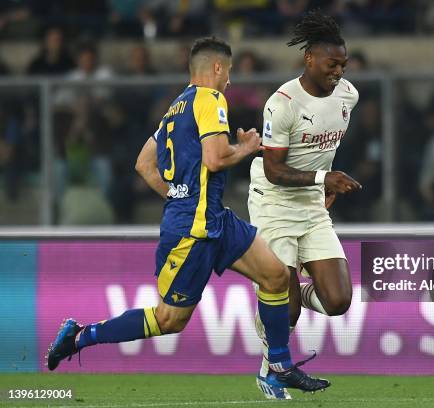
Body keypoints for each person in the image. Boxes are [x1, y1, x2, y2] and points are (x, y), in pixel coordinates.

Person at [45, 37, 330, 394]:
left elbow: (143, 164)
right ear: (216, 68)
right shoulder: (211, 99)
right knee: (169, 320)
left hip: (214, 218)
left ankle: (279, 366)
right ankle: (81, 336)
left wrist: (181, 195)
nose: (229, 82)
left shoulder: (174, 108)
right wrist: (245, 147)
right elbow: (214, 158)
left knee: (275, 276)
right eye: (227, 73)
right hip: (192, 231)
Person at [247, 10, 360, 399]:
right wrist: (322, 178)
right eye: (333, 63)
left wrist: (323, 182)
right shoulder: (282, 105)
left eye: (343, 64)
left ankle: (277, 300)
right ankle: (270, 370)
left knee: (339, 301)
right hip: (274, 202)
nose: (339, 71)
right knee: (286, 303)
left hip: (311, 203)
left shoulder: (348, 95)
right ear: (309, 58)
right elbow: (275, 170)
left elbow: (323, 148)